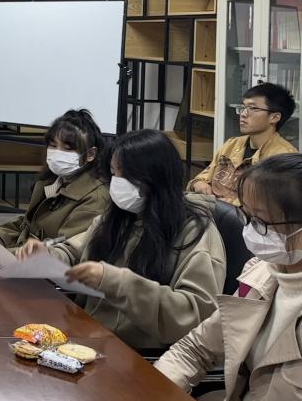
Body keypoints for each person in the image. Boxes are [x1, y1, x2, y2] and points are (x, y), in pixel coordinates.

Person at [18, 129, 226, 352]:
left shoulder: (194, 232)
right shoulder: (119, 216)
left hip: (140, 354)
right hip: (88, 336)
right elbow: (76, 251)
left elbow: (194, 315)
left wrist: (119, 283)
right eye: (113, 173)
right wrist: (48, 255)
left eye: (125, 175)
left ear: (155, 177)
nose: (117, 183)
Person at [155, 153, 302, 401]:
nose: (251, 230)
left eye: (262, 222)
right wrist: (149, 392)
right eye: (248, 216)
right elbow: (196, 349)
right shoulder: (261, 276)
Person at [0, 109, 111, 251]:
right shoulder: (51, 182)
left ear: (90, 154)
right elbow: (27, 224)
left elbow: (64, 252)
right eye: (53, 146)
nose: (57, 153)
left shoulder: (95, 200)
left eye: (67, 149)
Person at [190, 82, 297, 205]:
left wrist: (223, 206)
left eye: (253, 108)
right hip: (209, 209)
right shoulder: (232, 144)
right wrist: (198, 184)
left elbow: (267, 205)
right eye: (243, 107)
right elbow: (201, 178)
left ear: (274, 117)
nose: (243, 114)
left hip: (237, 215)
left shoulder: (283, 158)